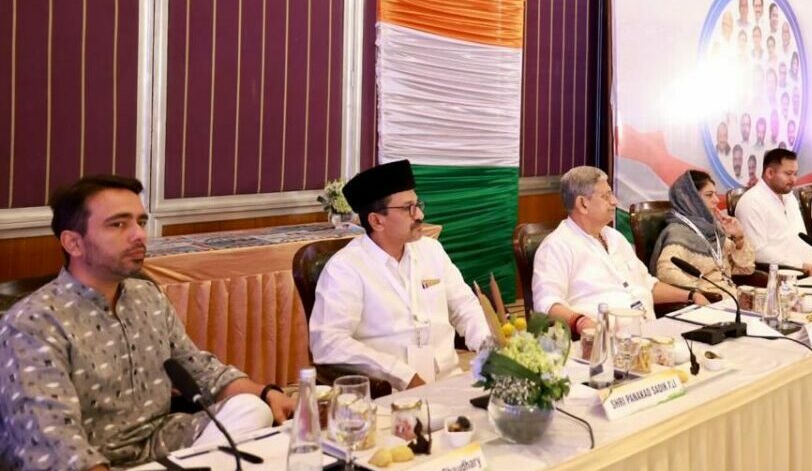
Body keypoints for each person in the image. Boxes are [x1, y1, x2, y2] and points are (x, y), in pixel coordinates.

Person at [0, 176, 292, 471]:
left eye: (140, 222)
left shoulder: (147, 296)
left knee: (252, 408)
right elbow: (55, 442)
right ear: (73, 243)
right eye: (118, 224)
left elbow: (202, 372)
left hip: (159, 443)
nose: (139, 235)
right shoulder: (33, 322)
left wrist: (266, 393)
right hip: (92, 457)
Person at [309, 160, 490, 390]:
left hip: (450, 383)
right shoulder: (345, 268)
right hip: (390, 394)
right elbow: (328, 342)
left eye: (418, 204)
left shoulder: (431, 250)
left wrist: (489, 346)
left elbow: (465, 307)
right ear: (377, 221)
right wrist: (401, 374)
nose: (420, 215)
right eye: (408, 208)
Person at [532, 167, 706, 333]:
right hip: (603, 341)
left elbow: (647, 284)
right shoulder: (556, 246)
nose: (614, 201)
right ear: (583, 204)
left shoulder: (615, 237)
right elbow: (547, 304)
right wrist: (582, 323)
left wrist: (691, 295)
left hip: (648, 333)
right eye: (606, 196)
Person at [650, 171, 755, 292]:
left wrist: (739, 237)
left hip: (730, 295)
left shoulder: (713, 230)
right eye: (709, 195)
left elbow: (746, 269)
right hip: (709, 300)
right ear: (690, 199)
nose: (716, 200)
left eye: (715, 194)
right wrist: (701, 292)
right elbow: (665, 272)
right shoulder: (678, 233)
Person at [734, 149, 812, 274]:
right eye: (788, 174)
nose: (794, 180)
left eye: (795, 174)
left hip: (810, 271)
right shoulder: (751, 202)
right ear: (770, 173)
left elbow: (800, 238)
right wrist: (800, 265)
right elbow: (757, 253)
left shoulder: (790, 198)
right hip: (783, 275)